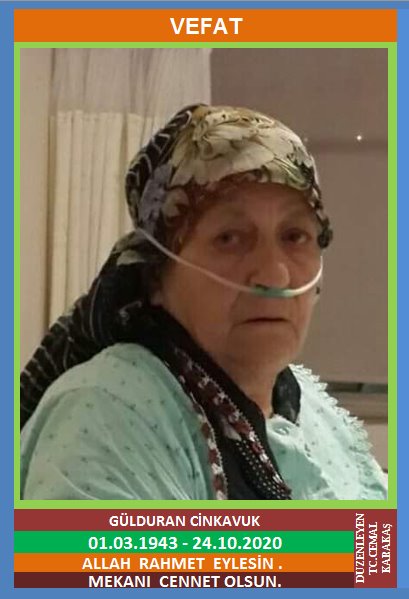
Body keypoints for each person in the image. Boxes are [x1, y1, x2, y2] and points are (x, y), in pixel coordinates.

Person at [20, 104, 387, 500]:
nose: (275, 275)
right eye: (230, 238)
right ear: (156, 275)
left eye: (294, 236)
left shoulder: (314, 412)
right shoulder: (106, 414)